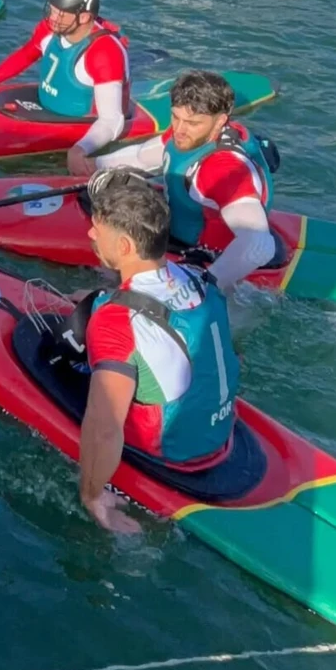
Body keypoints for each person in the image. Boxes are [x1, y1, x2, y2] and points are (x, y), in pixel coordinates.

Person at [76, 170, 239, 534]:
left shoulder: (115, 321)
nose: (89, 233)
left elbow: (104, 429)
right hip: (221, 434)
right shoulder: (197, 277)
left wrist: (92, 494)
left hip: (171, 453)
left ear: (124, 247)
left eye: (97, 228)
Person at [90, 69, 277, 290]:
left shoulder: (222, 169)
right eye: (175, 117)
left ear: (220, 121)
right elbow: (143, 156)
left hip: (205, 257)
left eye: (192, 122)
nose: (179, 129)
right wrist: (92, 165)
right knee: (114, 183)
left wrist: (200, 286)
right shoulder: (190, 133)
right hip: (181, 226)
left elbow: (259, 245)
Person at [0, 0, 129, 172]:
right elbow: (27, 53)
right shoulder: (51, 28)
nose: (52, 17)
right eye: (52, 10)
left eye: (60, 13)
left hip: (83, 125)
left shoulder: (104, 52)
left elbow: (112, 120)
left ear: (83, 18)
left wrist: (80, 150)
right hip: (48, 107)